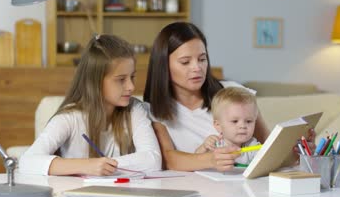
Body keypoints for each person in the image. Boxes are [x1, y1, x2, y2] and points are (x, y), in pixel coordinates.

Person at [144, 22, 315, 172]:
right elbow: (168, 159)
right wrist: (211, 159)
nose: (197, 68)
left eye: (202, 59)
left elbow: (268, 149)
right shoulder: (153, 110)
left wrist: (296, 152)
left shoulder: (233, 92)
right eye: (185, 62)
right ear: (163, 64)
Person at [19, 34, 161, 176]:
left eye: (132, 77)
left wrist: (105, 165)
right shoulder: (70, 118)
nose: (131, 86)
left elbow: (153, 160)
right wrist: (86, 165)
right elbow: (27, 161)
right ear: (95, 82)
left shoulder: (135, 109)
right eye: (121, 79)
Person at [195, 87, 261, 166]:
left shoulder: (253, 145)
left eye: (249, 121)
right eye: (235, 121)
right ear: (218, 125)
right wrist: (204, 147)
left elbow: (265, 163)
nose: (243, 126)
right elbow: (195, 159)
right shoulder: (216, 144)